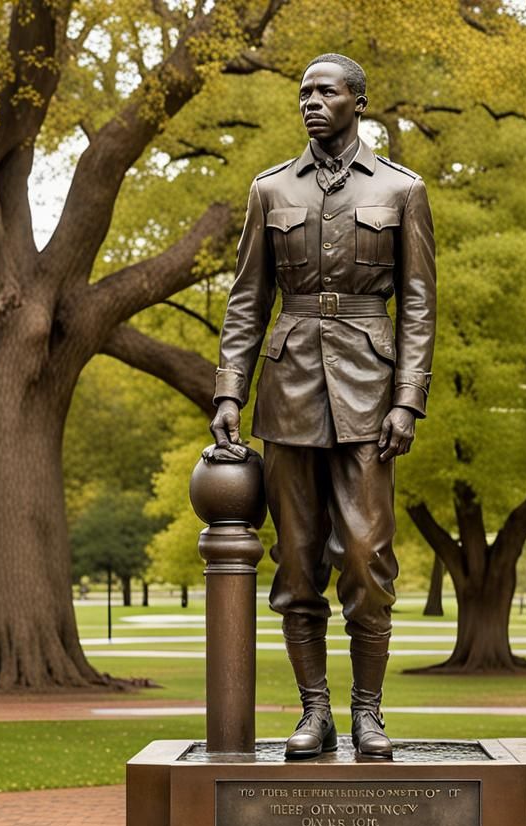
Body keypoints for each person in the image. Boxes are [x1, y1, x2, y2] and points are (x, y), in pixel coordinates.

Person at [210, 52, 436, 760]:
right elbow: (247, 300)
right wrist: (228, 390)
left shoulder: (402, 189)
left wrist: (409, 400)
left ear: (357, 103)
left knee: (367, 559)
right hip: (289, 391)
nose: (310, 101)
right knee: (296, 565)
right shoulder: (270, 189)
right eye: (303, 92)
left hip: (371, 393)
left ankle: (369, 711)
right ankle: (316, 711)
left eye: (325, 91)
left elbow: (419, 305)